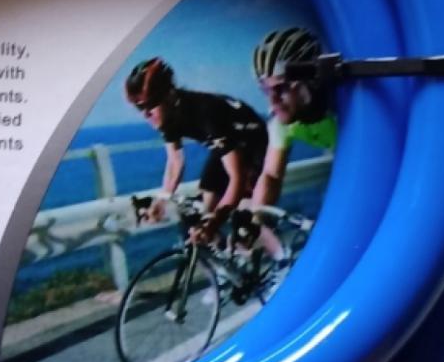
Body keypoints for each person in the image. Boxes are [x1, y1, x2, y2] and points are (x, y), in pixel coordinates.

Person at [124, 57, 267, 242]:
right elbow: (175, 162)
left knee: (244, 222)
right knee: (206, 202)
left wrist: (216, 221)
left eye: (150, 105)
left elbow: (237, 178)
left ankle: (274, 253)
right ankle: (215, 248)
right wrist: (162, 200)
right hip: (227, 142)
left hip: (253, 138)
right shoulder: (168, 116)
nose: (146, 114)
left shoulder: (205, 113)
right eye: (139, 107)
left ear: (169, 95)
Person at [250, 27, 337, 207]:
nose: (272, 101)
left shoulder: (340, 107)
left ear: (311, 81)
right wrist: (257, 216)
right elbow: (271, 176)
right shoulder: (280, 122)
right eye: (266, 90)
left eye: (281, 88)